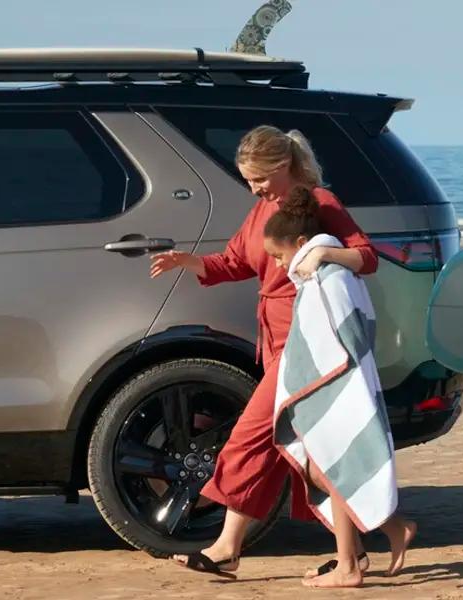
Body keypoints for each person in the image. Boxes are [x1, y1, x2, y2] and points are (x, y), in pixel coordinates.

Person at [148, 125, 408, 579]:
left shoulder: (321, 204)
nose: (254, 189)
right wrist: (186, 261)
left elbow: (366, 257)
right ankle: (383, 533)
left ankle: (233, 546)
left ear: (284, 165)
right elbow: (234, 262)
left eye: (259, 179)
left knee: (253, 436)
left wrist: (325, 256)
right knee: (294, 449)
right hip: (273, 341)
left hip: (309, 342)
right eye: (248, 180)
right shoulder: (260, 211)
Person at [264, 186, 417, 588]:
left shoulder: (326, 274)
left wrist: (313, 379)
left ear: (299, 243)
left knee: (332, 467)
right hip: (338, 384)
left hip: (338, 387)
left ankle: (350, 565)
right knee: (325, 468)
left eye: (279, 256)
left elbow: (340, 334)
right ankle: (390, 528)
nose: (280, 267)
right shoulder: (318, 272)